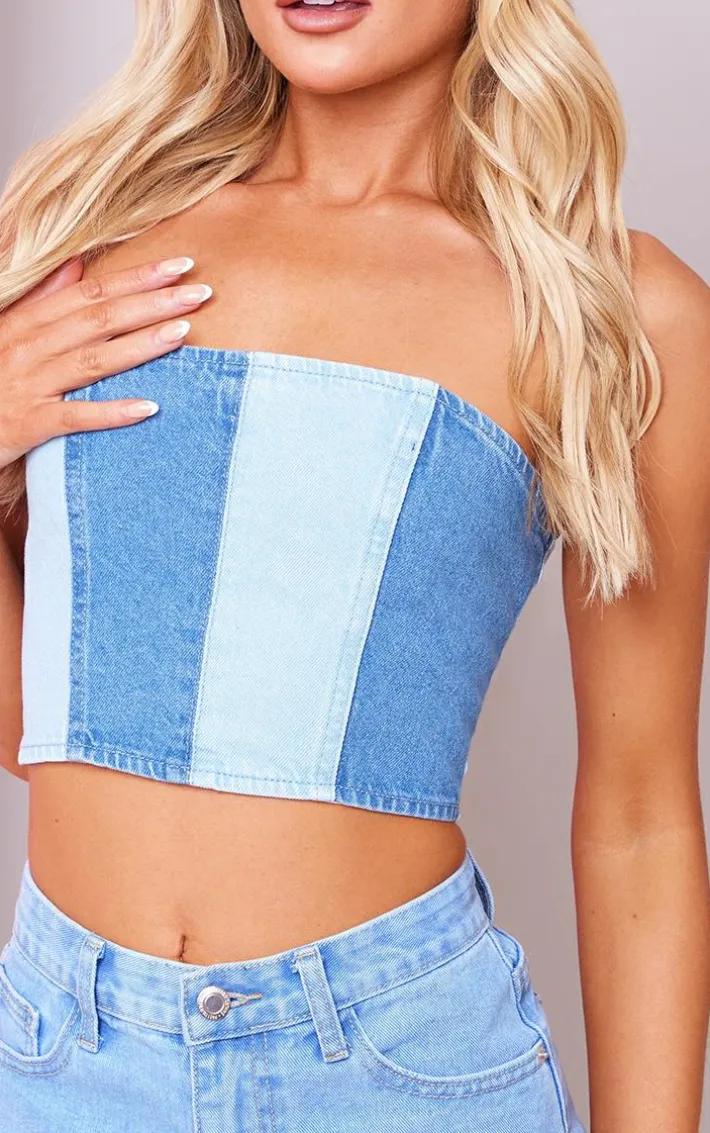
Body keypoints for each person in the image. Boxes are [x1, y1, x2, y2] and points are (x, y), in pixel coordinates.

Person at [0, 0, 708, 1129]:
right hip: (58, 1064)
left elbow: (639, 813)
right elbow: (36, 735)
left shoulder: (612, 312)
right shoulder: (74, 238)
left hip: (393, 1069)